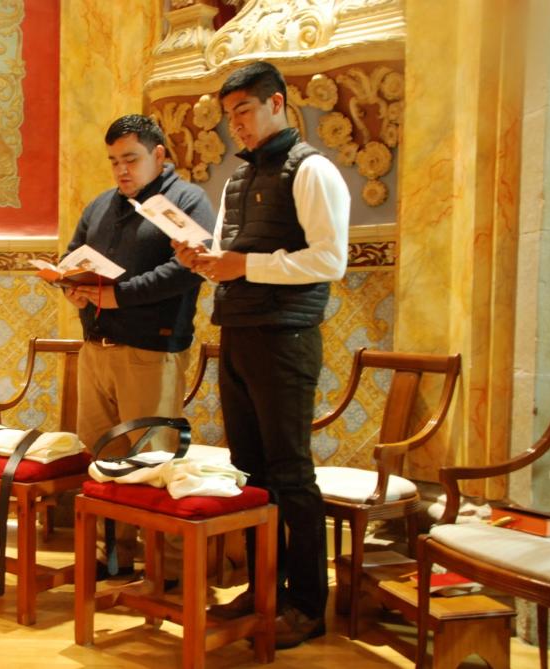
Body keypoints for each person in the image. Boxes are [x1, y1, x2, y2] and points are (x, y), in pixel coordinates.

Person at [173, 61, 349, 648]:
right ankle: (264, 587)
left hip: (286, 339)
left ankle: (307, 605)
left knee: (291, 473)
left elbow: (330, 260)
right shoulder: (237, 179)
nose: (236, 126)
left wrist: (242, 264)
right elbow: (230, 256)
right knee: (249, 472)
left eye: (244, 111)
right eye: (230, 117)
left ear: (277, 103)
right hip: (239, 334)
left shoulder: (313, 169)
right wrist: (201, 258)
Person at [64, 114, 215, 583]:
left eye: (130, 159)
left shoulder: (186, 200)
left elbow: (186, 269)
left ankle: (168, 570)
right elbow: (72, 252)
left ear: (159, 155)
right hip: (96, 348)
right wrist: (71, 285)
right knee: (104, 458)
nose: (121, 170)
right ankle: (113, 556)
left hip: (151, 350)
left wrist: (119, 296)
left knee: (152, 460)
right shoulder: (101, 204)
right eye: (114, 161)